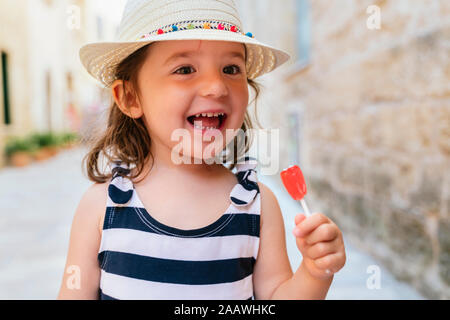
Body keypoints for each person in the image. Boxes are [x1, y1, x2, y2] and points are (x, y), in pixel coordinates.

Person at [58, 0, 346, 300]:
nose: (216, 87)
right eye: (185, 69)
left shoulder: (256, 208)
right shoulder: (102, 208)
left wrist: (314, 273)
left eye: (231, 68)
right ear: (130, 97)